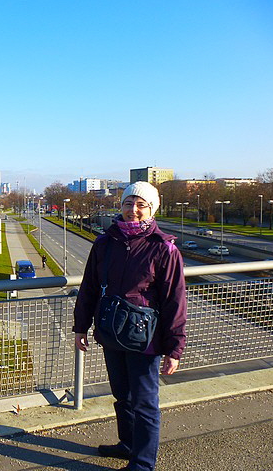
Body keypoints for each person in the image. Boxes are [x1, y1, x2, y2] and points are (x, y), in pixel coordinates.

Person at [73, 181, 187, 471]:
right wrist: (80, 327)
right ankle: (128, 445)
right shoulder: (104, 243)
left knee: (144, 403)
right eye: (128, 203)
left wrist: (174, 348)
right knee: (121, 395)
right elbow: (89, 287)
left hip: (144, 339)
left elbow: (175, 301)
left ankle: (143, 463)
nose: (133, 209)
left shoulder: (163, 248)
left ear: (152, 209)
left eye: (141, 204)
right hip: (111, 332)